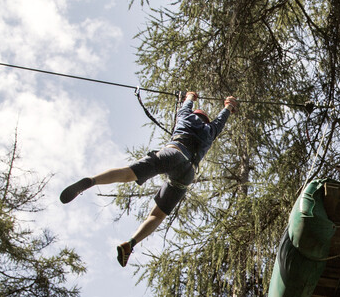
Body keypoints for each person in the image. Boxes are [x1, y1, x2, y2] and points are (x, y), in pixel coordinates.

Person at [60, 91, 239, 266]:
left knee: (128, 173)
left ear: (194, 114)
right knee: (158, 214)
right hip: (187, 172)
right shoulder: (210, 130)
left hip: (174, 152)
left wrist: (190, 96)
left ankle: (91, 181)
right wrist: (228, 106)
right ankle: (130, 244)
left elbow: (186, 105)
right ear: (206, 121)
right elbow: (221, 119)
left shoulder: (185, 117)